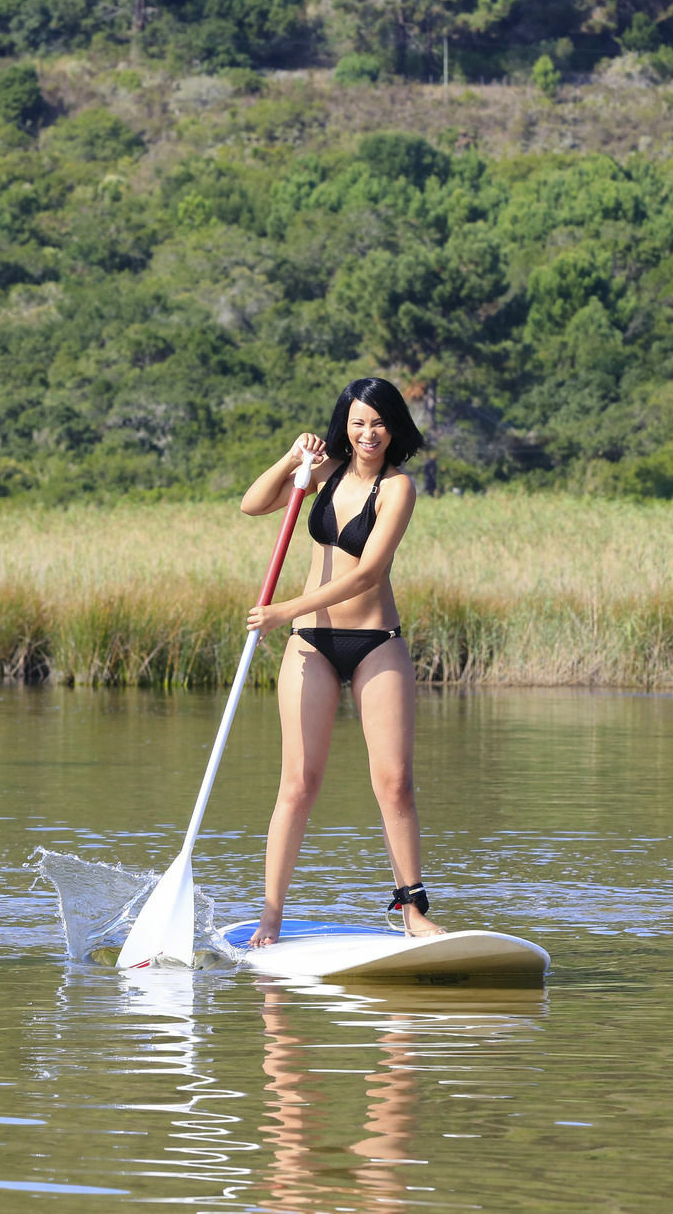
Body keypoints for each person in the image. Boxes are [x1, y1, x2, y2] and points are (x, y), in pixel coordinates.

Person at [240, 378, 444, 946]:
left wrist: (285, 610)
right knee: (298, 785)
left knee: (394, 784)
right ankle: (271, 917)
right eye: (357, 422)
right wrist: (292, 458)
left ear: (394, 427)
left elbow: (365, 574)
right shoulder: (323, 475)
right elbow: (253, 503)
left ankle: (413, 912)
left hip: (377, 641)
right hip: (312, 646)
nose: (368, 433)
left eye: (378, 422)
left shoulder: (398, 489)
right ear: (344, 426)